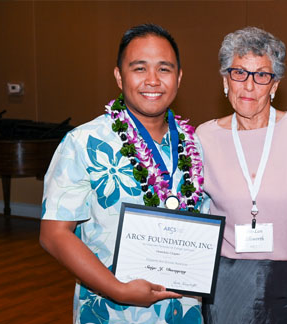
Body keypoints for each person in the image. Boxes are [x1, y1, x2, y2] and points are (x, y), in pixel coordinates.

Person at [40, 24, 210, 324]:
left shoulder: (195, 144)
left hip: (183, 311)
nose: (153, 80)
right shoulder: (84, 143)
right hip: (110, 311)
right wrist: (118, 290)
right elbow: (54, 235)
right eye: (139, 68)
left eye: (165, 69)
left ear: (179, 77)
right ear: (119, 76)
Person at [195, 26, 287, 323]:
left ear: (274, 85)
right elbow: (196, 218)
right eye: (239, 73)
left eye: (261, 75)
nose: (249, 86)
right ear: (225, 80)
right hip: (226, 287)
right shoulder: (203, 138)